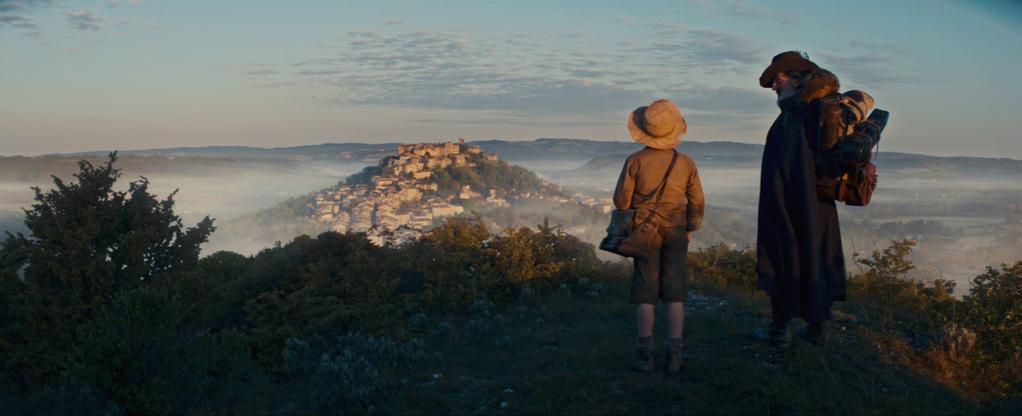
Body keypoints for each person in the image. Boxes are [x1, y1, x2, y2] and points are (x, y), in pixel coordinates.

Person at [755, 51, 847, 347]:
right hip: (817, 206)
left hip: (791, 204)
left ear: (796, 79)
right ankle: (818, 328)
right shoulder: (814, 112)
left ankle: (780, 328)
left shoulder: (797, 116)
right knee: (816, 257)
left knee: (784, 258)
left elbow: (787, 167)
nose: (773, 86)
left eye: (777, 79)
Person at [614, 99, 704, 373]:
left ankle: (645, 356)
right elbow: (697, 200)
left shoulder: (635, 161)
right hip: (676, 231)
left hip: (644, 233)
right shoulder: (686, 162)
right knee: (675, 295)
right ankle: (674, 356)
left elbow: (621, 201)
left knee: (646, 295)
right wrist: (690, 228)